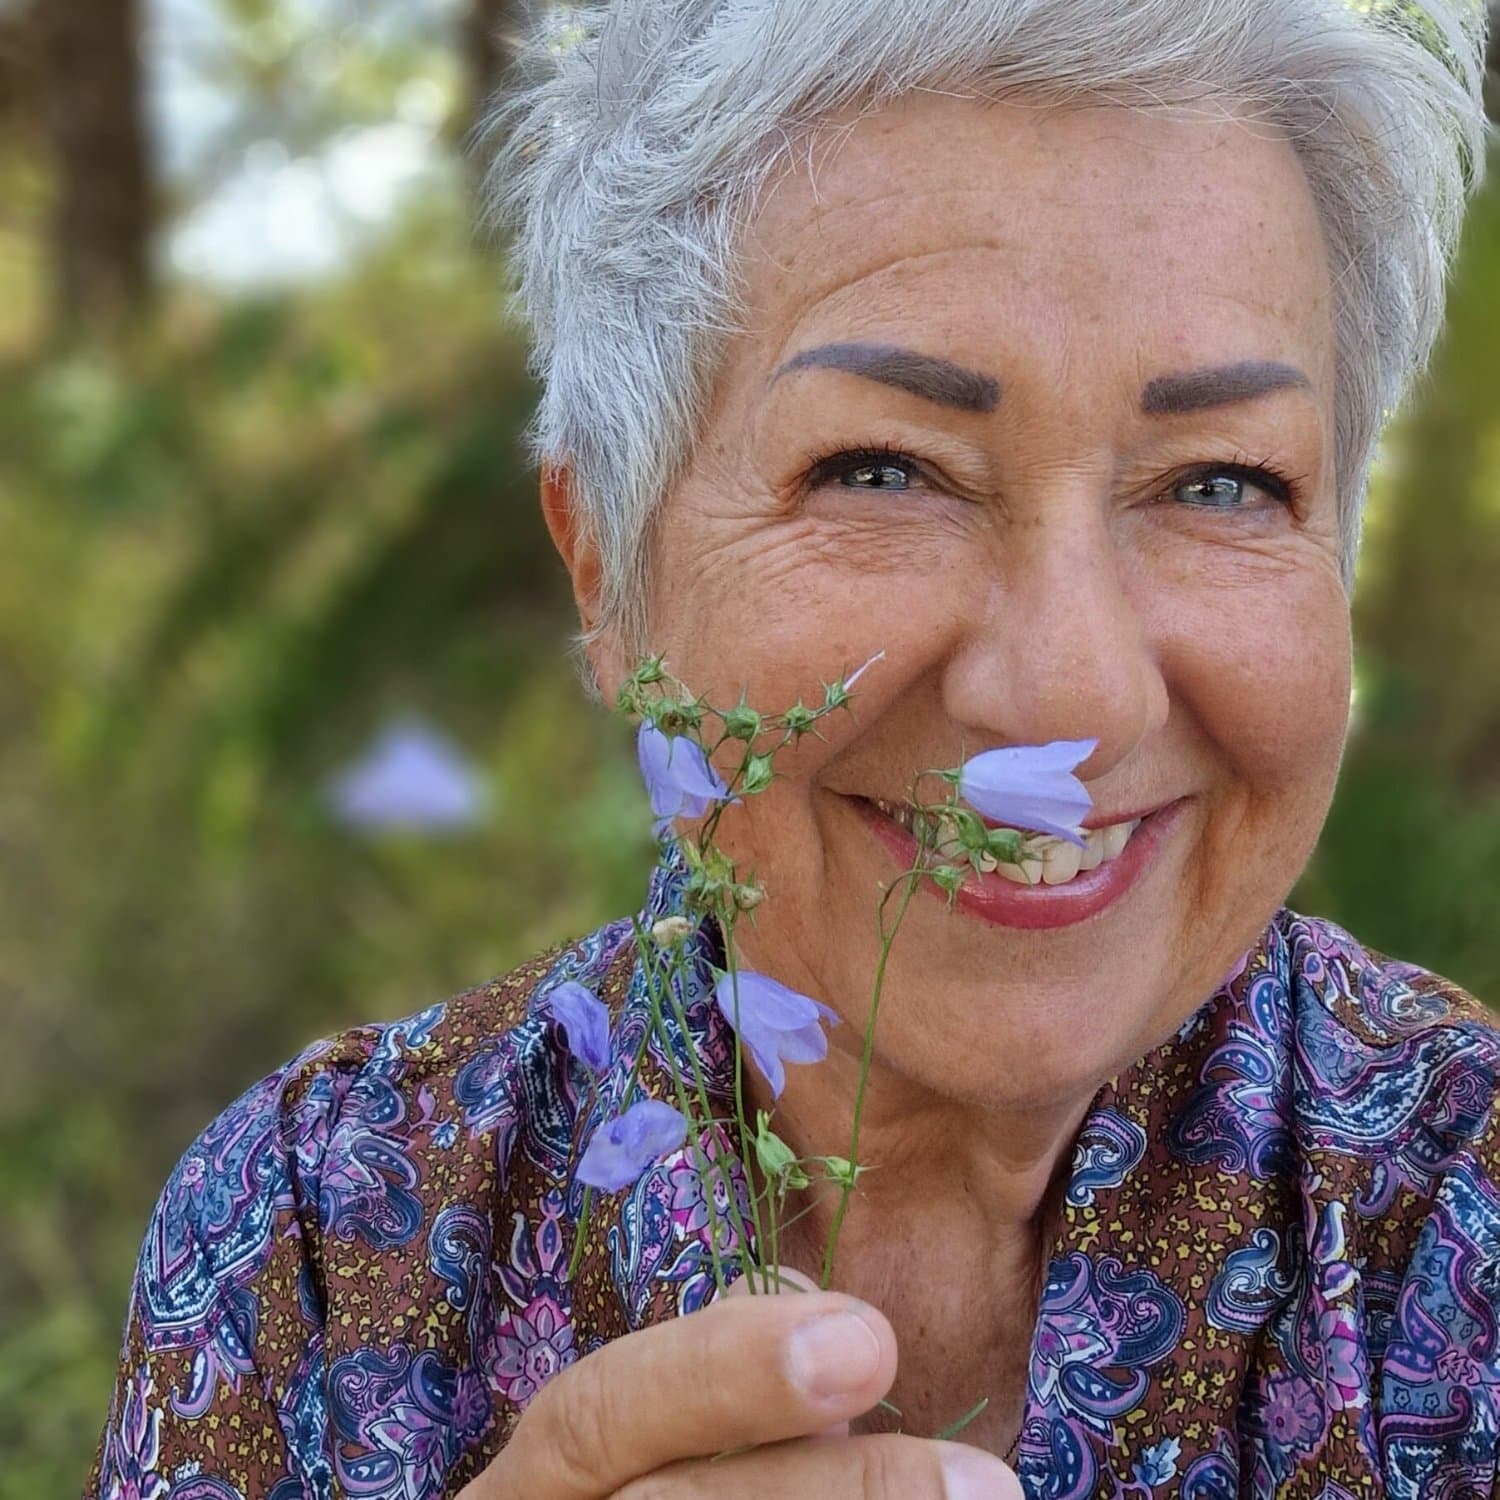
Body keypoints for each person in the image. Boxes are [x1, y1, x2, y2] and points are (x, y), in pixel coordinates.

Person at [88, 0, 1498, 1495]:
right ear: (608, 573)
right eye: (884, 470)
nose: (1070, 692)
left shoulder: (1456, 1209)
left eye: (1221, 483)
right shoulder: (317, 1233)